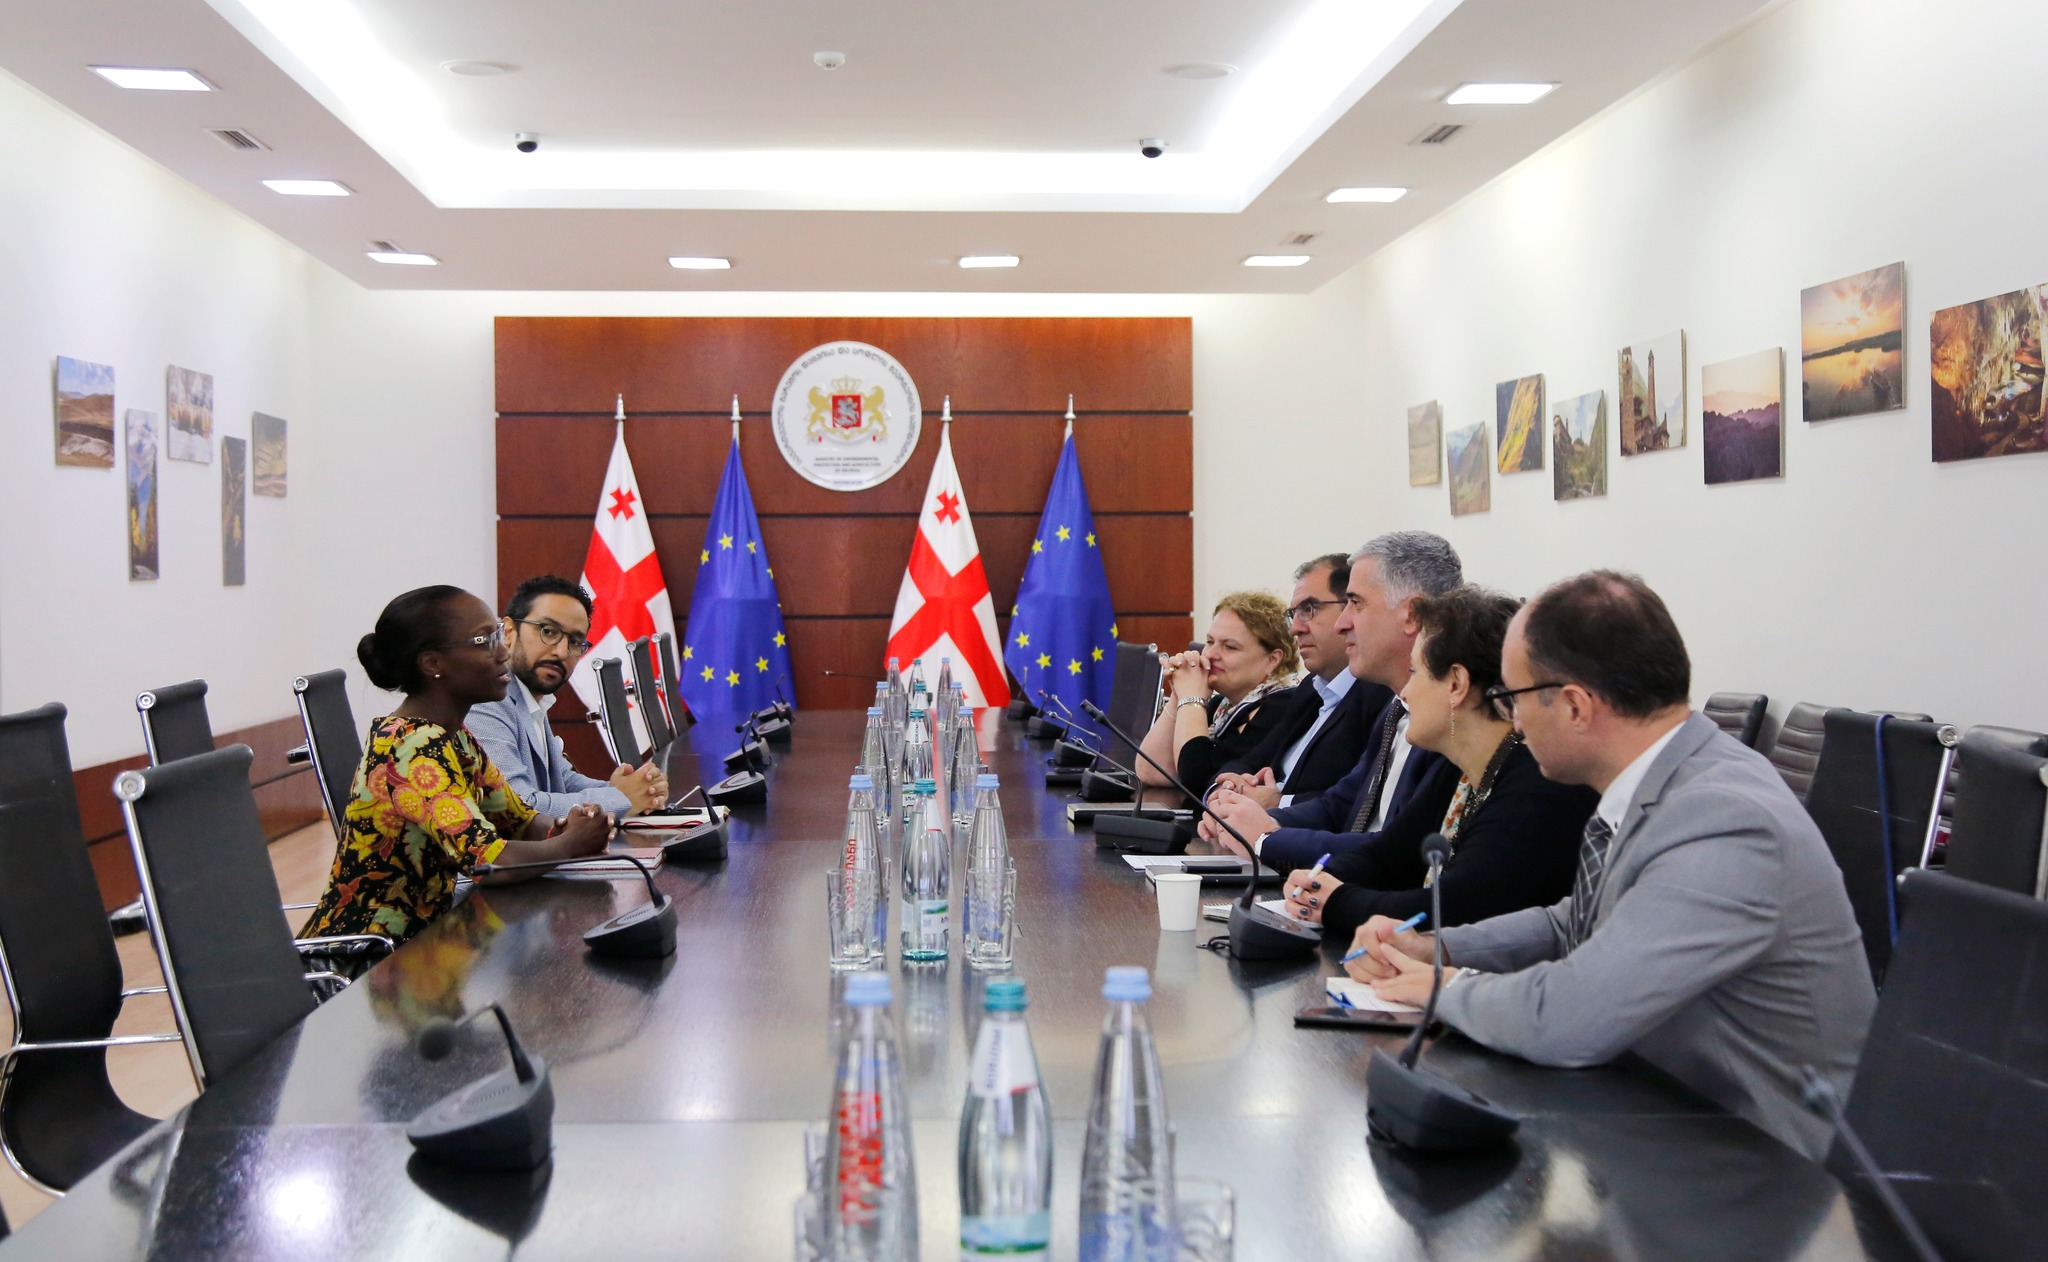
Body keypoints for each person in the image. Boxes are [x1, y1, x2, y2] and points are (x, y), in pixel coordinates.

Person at [1350, 571, 1876, 1160]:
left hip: (1763, 1161)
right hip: (1661, 1117)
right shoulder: (1665, 779)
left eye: (1515, 699)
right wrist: (1437, 947)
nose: (1514, 722)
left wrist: (1447, 988)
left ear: (1575, 706)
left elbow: (1570, 1018)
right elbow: (1574, 921)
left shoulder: (1725, 817)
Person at [300, 585, 611, 944]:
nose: (502, 652)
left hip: (427, 942)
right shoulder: (411, 746)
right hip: (370, 958)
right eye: (485, 641)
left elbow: (520, 823)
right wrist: (570, 844)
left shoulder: (455, 736)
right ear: (433, 664)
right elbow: (491, 863)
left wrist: (569, 825)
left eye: (498, 635)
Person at [1282, 585, 1594, 943]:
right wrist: (1319, 879)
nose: (1405, 692)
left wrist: (1336, 901)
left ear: (1456, 684)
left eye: (1415, 672)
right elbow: (1386, 857)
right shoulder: (1458, 771)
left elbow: (1456, 907)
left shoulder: (1536, 783)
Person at [1204, 531, 1464, 875]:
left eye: (1356, 603)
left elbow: (1400, 852)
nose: (1343, 623)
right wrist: (1241, 819)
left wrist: (1266, 838)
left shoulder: (1452, 719)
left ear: (1411, 615)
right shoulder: (1395, 709)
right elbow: (1340, 804)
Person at [467, 574, 668, 819]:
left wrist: (634, 790)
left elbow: (560, 779)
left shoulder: (528, 696)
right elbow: (517, 807)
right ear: (509, 631)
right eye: (548, 631)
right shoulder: (485, 700)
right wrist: (622, 798)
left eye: (574, 641)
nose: (562, 652)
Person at [1206, 554, 1391, 809]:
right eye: (1294, 614)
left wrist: (1279, 804)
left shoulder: (1380, 695)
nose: (1295, 628)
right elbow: (1250, 761)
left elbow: (1360, 800)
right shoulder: (1311, 689)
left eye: (1309, 610)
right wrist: (1227, 788)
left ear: (1352, 608)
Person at [1134, 591, 1299, 798]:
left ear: (1272, 660)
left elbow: (1198, 780)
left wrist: (1191, 699)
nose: (1210, 654)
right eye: (1210, 642)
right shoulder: (1224, 705)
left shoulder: (1282, 706)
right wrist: (1179, 694)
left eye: (1230, 647)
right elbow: (1151, 771)